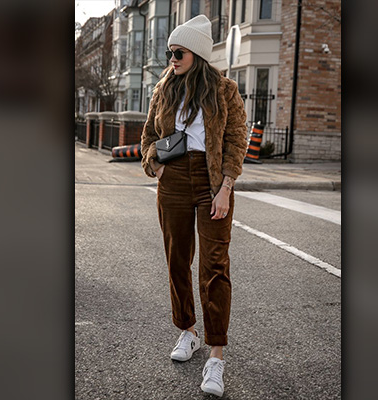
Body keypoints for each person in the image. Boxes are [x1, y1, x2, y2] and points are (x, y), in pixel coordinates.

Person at [140, 14, 247, 398]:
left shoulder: (224, 90)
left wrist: (226, 187)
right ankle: (188, 332)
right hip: (173, 182)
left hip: (211, 181)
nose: (172, 57)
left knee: (214, 266)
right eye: (169, 51)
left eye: (178, 51)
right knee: (176, 260)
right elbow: (149, 134)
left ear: (197, 53)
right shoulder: (164, 88)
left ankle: (216, 355)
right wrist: (154, 159)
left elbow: (237, 139)